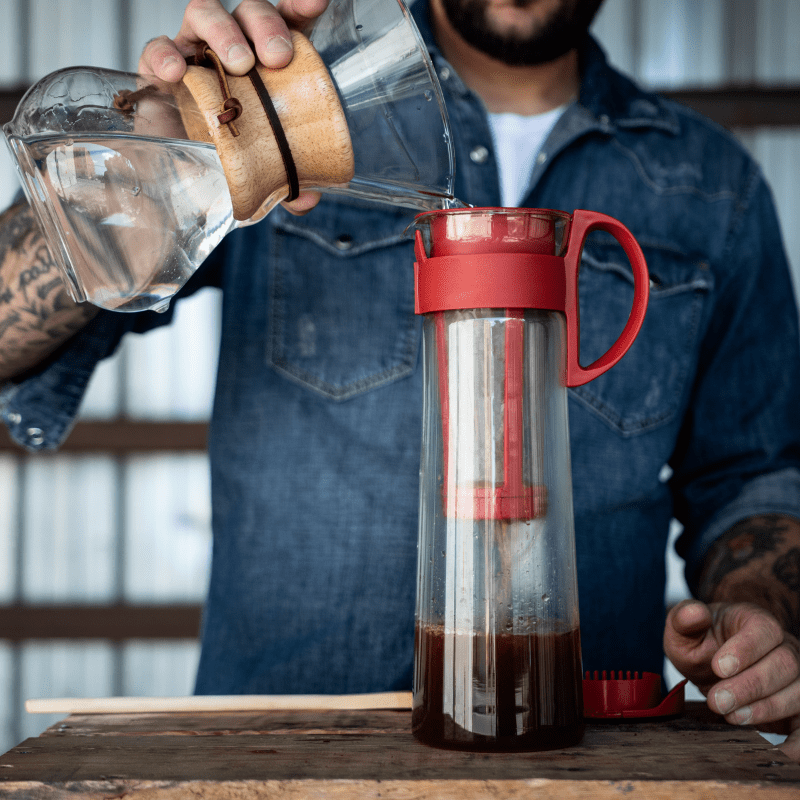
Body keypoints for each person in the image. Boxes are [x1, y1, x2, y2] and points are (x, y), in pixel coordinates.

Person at [1, 0, 799, 757]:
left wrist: (760, 614)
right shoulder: (275, 101)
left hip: (582, 761)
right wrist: (151, 152)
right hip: (284, 764)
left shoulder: (712, 188)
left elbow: (751, 477)